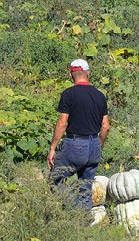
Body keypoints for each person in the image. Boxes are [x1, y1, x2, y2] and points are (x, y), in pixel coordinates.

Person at [47, 59, 110, 210]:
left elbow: (63, 123)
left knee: (55, 180)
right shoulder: (100, 96)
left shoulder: (69, 94)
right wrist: (97, 145)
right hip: (94, 144)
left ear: (71, 75)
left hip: (75, 144)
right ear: (88, 73)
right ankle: (83, 218)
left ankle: (73, 208)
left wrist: (53, 148)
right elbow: (106, 126)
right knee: (85, 187)